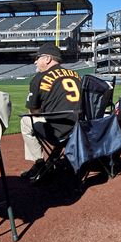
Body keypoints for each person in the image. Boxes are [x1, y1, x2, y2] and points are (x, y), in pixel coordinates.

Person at [20, 43, 82, 181]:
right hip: (80, 129)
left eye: (38, 57)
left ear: (47, 59)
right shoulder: (76, 75)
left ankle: (38, 163)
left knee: (25, 120)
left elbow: (33, 111)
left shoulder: (39, 78)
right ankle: (52, 160)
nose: (35, 61)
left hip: (58, 131)